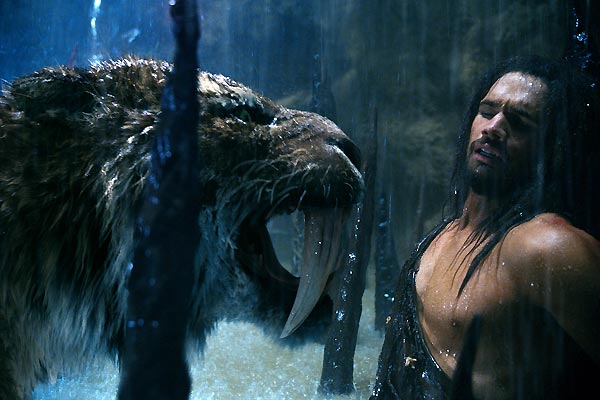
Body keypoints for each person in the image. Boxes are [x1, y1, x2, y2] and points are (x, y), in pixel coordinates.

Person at [370, 56, 600, 400]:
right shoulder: (442, 235)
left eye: (519, 122)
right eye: (487, 111)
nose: (493, 127)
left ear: (551, 148)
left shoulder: (545, 246)